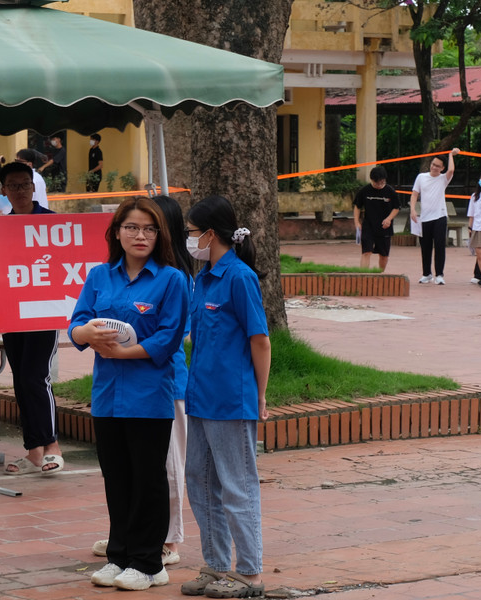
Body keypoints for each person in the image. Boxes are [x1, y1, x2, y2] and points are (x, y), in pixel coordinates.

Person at [69, 197, 189, 592]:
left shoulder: (171, 280)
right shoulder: (99, 276)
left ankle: (148, 562)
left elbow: (169, 338)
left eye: (149, 229)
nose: (140, 236)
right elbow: (78, 324)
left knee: (148, 479)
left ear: (160, 235)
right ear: (116, 232)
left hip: (150, 396)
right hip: (107, 394)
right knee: (116, 477)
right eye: (132, 227)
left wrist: (123, 351)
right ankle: (119, 555)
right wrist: (85, 334)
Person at [181, 195, 270, 599]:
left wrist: (260, 395)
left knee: (237, 486)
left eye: (192, 232)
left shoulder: (239, 277)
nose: (189, 239)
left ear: (211, 234)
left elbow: (260, 341)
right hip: (200, 396)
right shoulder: (203, 276)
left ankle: (249, 573)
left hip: (231, 400)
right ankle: (217, 568)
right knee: (199, 483)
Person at [0, 162, 65, 476]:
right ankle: (34, 451)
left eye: (25, 184)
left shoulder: (53, 224)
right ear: (4, 191)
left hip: (44, 312)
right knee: (20, 382)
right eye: (13, 186)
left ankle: (53, 447)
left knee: (36, 378)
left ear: (33, 187)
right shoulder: (1, 228)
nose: (20, 191)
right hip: (13, 314)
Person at [410, 148, 459, 285]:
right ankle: (426, 274)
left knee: (439, 245)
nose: (434, 167)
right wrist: (412, 210)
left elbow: (451, 171)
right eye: (433, 164)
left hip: (439, 216)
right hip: (424, 217)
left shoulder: (443, 179)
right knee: (425, 246)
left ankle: (439, 274)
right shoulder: (421, 177)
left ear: (442, 168)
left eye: (438, 166)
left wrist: (450, 155)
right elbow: (414, 194)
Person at [353, 166, 400, 272]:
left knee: (384, 255)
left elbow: (396, 208)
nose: (379, 185)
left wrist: (389, 219)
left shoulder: (390, 191)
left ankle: (380, 274)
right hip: (368, 226)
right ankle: (363, 276)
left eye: (381, 182)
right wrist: (356, 222)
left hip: (384, 227)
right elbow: (357, 206)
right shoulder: (364, 191)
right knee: (366, 252)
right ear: (371, 180)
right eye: (376, 183)